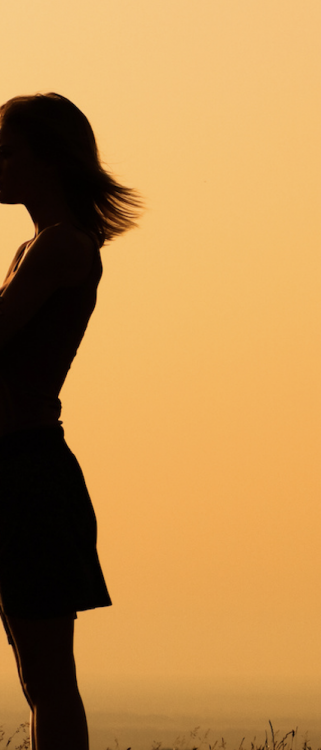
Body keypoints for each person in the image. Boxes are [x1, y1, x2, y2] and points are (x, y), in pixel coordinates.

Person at [0, 93, 140, 750]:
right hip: (18, 469)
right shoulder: (35, 247)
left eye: (6, 150)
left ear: (48, 159)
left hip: (26, 475)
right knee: (42, 679)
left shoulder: (61, 248)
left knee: (45, 680)